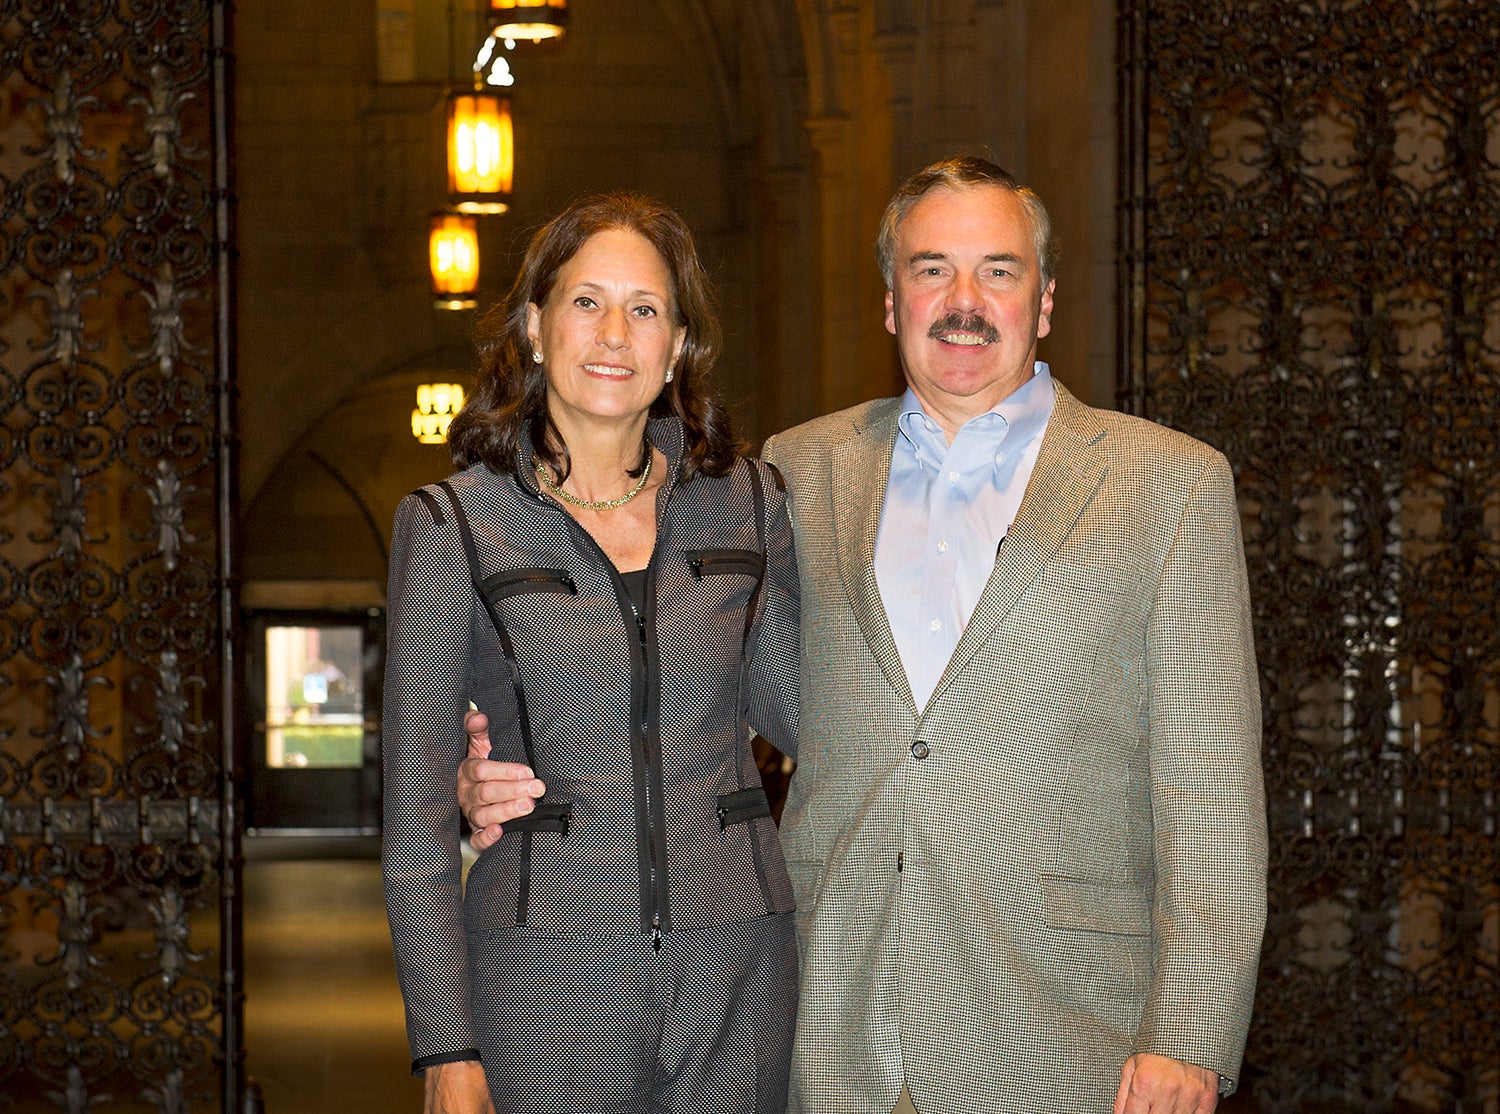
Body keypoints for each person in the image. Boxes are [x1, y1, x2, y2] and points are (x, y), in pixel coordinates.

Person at [459, 158, 1267, 1114]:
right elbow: (678, 670)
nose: (963, 301)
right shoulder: (791, 473)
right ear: (892, 303)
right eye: (931, 270)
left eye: (998, 271)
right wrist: (508, 762)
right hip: (830, 1021)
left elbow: (1210, 782)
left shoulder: (1169, 484)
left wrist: (1189, 1029)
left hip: (1070, 1030)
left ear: (1045, 301)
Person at [382, 192, 802, 1114]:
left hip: (738, 960)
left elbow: (803, 711)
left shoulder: (751, 503)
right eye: (586, 302)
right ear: (534, 327)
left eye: (645, 309)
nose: (615, 333)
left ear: (679, 343)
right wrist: (446, 1049)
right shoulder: (455, 524)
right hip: (545, 969)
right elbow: (414, 825)